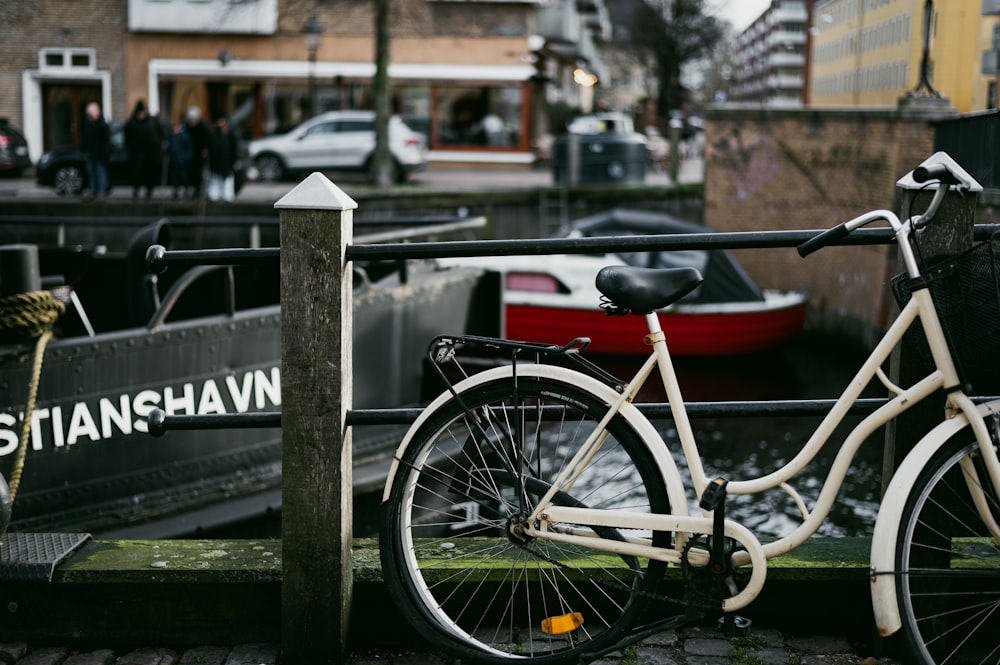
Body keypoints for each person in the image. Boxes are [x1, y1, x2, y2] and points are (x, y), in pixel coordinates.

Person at [124, 99, 163, 199]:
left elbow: (160, 133)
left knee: (150, 172)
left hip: (151, 152)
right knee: (137, 172)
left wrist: (159, 145)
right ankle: (136, 189)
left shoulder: (152, 121)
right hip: (137, 153)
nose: (141, 115)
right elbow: (127, 137)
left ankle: (149, 190)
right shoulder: (131, 123)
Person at [80, 102, 111, 200]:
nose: (89, 114)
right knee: (91, 173)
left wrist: (104, 153)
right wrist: (84, 150)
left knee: (100, 172)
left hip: (99, 154)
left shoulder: (102, 125)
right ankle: (93, 190)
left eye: (90, 112)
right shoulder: (89, 124)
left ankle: (102, 191)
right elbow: (85, 138)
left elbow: (106, 141)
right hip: (90, 153)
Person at [207, 117, 238, 202]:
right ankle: (215, 196)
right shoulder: (213, 134)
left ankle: (227, 196)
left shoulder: (230, 134)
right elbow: (210, 148)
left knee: (227, 180)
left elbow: (234, 149)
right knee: (215, 179)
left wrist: (233, 160)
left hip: (227, 162)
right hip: (215, 162)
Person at [184, 106, 211, 198]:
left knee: (199, 172)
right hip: (189, 154)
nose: (192, 122)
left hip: (199, 154)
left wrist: (205, 149)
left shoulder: (203, 128)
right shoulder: (186, 128)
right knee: (189, 172)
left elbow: (206, 141)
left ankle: (199, 188)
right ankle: (191, 188)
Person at [168, 120, 193, 199]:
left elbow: (189, 148)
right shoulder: (171, 136)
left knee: (184, 176)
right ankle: (175, 191)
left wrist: (187, 158)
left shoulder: (184, 136)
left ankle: (185, 190)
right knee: (175, 177)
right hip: (175, 160)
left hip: (183, 160)